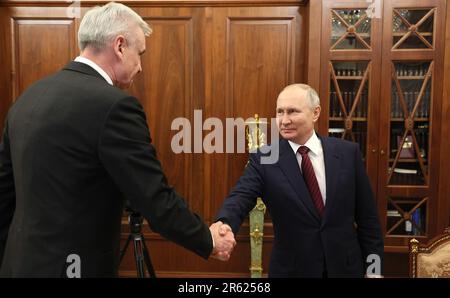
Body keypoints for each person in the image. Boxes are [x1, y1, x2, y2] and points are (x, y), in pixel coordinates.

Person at [0, 2, 235, 278]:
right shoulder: (115, 106)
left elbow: (5, 194)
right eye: (140, 53)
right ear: (120, 46)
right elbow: (154, 198)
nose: (141, 67)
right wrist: (207, 240)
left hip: (19, 265)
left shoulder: (28, 98)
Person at [214, 84, 384, 278]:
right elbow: (240, 196)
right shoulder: (264, 159)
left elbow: (368, 220)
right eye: (280, 112)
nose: (284, 120)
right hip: (292, 271)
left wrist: (374, 271)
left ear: (315, 113)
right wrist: (224, 223)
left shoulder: (347, 153)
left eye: (293, 112)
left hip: (346, 270)